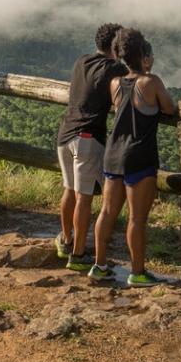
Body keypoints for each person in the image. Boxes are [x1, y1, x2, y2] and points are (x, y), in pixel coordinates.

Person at [90, 29, 175, 287]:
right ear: (144, 57)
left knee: (107, 211)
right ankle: (138, 272)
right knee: (137, 219)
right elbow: (169, 108)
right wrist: (149, 73)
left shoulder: (116, 83)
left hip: (113, 155)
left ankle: (99, 265)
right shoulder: (151, 83)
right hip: (139, 156)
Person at [55, 23, 126, 271]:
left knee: (69, 190)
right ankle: (78, 255)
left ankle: (66, 239)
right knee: (83, 198)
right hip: (87, 137)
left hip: (65, 134)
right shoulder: (115, 68)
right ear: (116, 46)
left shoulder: (81, 61)